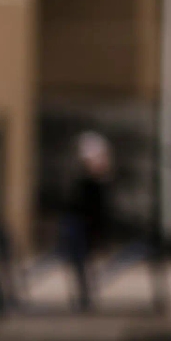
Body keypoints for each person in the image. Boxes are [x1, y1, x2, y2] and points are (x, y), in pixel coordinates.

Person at [58, 130, 114, 310]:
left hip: (85, 225)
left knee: (83, 263)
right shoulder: (84, 184)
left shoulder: (95, 184)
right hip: (79, 225)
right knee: (79, 262)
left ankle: (85, 296)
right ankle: (84, 297)